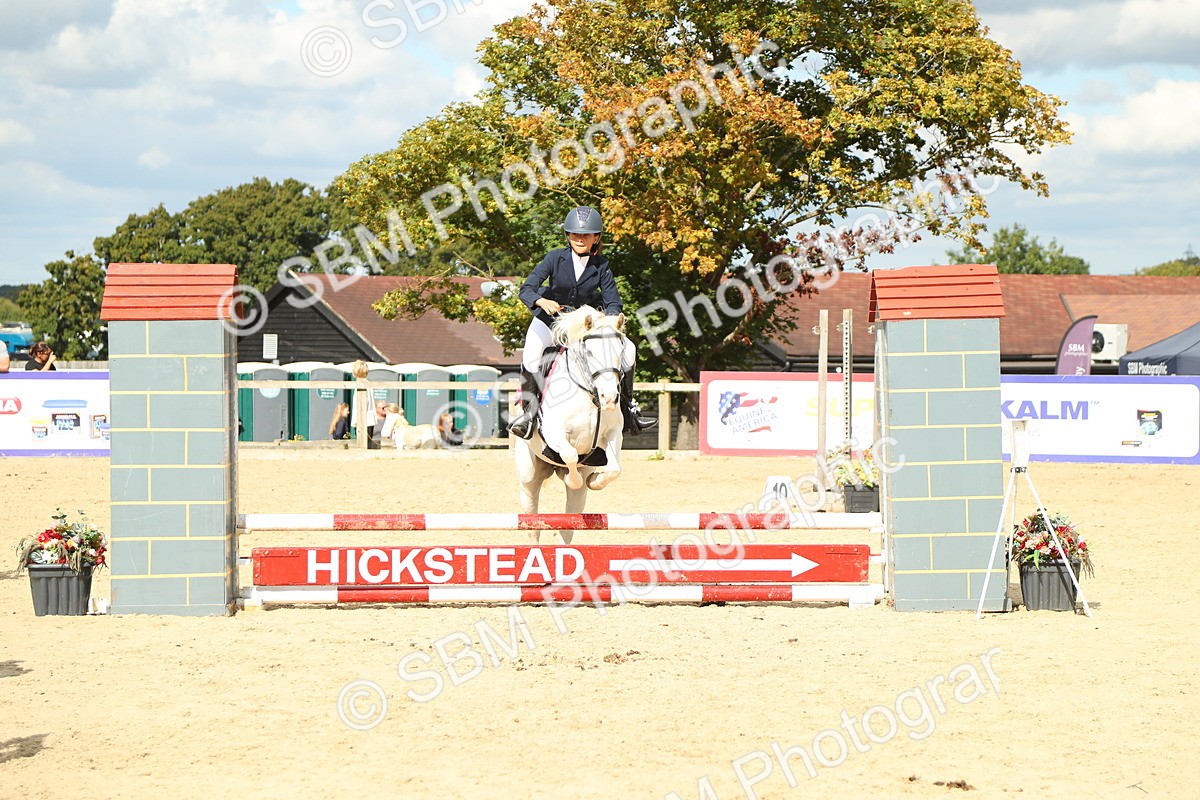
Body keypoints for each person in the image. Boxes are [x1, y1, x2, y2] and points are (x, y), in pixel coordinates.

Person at [509, 206, 656, 439]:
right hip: (551, 322)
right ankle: (527, 414)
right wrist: (540, 301)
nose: (580, 238)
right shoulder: (554, 258)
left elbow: (613, 302)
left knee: (629, 349)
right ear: (567, 235)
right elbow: (527, 289)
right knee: (532, 354)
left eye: (586, 234)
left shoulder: (602, 265)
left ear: (596, 237)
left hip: (583, 328)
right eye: (575, 234)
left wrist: (608, 322)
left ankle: (628, 409)